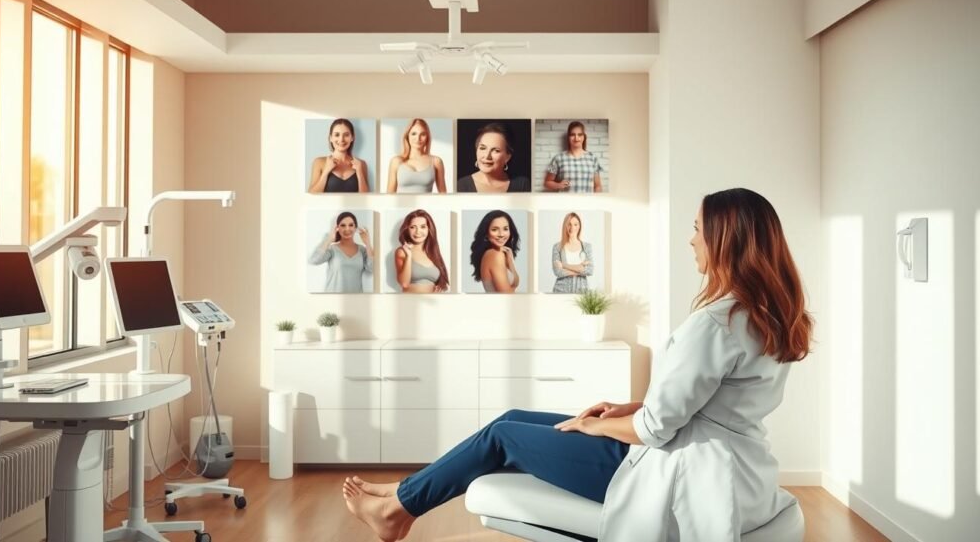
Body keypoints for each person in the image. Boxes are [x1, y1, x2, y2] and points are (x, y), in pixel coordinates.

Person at [342, 188, 813, 541]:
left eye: (696, 228)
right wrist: (626, 407)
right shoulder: (765, 314)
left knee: (502, 436)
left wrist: (597, 428)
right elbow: (713, 401)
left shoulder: (715, 322)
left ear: (722, 238)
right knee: (510, 419)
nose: (691, 240)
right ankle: (403, 493)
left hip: (669, 466)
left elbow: (654, 430)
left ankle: (395, 512)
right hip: (719, 457)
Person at [308, 212, 373, 293]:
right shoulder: (332, 249)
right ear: (337, 228)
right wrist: (329, 239)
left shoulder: (362, 250)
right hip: (332, 299)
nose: (347, 229)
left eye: (351, 225)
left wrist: (367, 243)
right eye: (343, 225)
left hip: (356, 299)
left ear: (355, 227)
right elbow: (313, 260)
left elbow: (372, 268)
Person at [456, 123, 530, 193]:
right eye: (482, 148)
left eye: (496, 151)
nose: (487, 156)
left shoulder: (522, 185)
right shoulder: (461, 185)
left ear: (508, 157)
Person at [394, 209, 449, 293]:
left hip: (434, 303)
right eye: (412, 227)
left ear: (429, 229)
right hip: (410, 303)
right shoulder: (402, 251)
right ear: (407, 230)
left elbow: (443, 282)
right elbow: (404, 283)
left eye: (423, 227)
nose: (418, 232)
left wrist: (440, 286)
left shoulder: (433, 253)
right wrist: (409, 255)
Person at [308, 118, 370, 193]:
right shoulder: (319, 162)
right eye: (337, 135)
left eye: (346, 135)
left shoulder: (361, 164)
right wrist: (326, 171)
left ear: (352, 138)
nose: (341, 139)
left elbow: (366, 197)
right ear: (330, 138)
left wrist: (359, 173)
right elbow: (312, 195)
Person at [386, 119, 447, 193]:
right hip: (403, 205)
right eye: (414, 134)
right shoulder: (396, 161)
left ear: (427, 137)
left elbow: (443, 195)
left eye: (423, 134)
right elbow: (389, 195)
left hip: (427, 205)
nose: (418, 138)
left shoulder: (436, 161)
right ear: (407, 136)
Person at [468, 210, 521, 294]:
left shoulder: (494, 253)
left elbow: (514, 284)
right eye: (494, 229)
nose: (501, 234)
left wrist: (510, 261)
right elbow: (507, 295)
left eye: (505, 229)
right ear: (486, 233)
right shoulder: (495, 255)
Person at [543, 121, 604, 193]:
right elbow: (547, 182)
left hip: (587, 203)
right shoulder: (558, 158)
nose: (576, 138)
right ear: (568, 137)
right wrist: (558, 185)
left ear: (584, 137)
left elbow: (598, 186)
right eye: (572, 135)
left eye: (580, 135)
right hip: (565, 203)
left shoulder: (593, 158)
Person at [552, 212, 594, 293]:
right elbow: (558, 272)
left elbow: (589, 270)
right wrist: (580, 268)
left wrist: (563, 265)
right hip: (561, 291)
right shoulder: (557, 247)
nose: (572, 228)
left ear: (579, 226)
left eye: (575, 224)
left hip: (582, 291)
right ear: (565, 226)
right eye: (569, 224)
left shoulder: (587, 247)